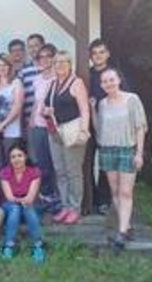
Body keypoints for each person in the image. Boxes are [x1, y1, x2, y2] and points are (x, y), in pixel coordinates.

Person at [92, 68, 147, 250]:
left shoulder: (132, 99)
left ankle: (122, 232)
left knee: (126, 192)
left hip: (127, 149)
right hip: (107, 150)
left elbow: (140, 127)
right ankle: (126, 226)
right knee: (115, 191)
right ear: (102, 85)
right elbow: (99, 128)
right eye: (105, 81)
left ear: (118, 80)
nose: (109, 83)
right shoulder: (102, 104)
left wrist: (139, 153)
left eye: (111, 80)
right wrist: (92, 109)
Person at [43, 51, 90, 224]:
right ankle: (65, 206)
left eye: (63, 62)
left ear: (70, 64)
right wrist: (45, 111)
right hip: (55, 132)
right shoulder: (52, 83)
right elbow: (45, 106)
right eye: (56, 62)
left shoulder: (76, 83)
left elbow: (85, 109)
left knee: (73, 171)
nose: (60, 65)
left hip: (72, 132)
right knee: (60, 171)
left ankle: (75, 207)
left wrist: (84, 131)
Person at [88, 39, 129, 214]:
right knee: (87, 164)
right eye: (95, 53)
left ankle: (105, 201)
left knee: (107, 165)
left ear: (108, 54)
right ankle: (91, 199)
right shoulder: (86, 73)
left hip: (110, 127)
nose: (98, 56)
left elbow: (125, 98)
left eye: (101, 52)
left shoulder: (114, 75)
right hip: (89, 125)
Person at [0, 142, 45, 262]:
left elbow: (30, 197)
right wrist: (20, 201)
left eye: (19, 155)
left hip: (30, 204)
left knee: (27, 207)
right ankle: (9, 246)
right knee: (15, 208)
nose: (16, 159)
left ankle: (38, 246)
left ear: (25, 156)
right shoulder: (5, 172)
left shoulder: (34, 172)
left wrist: (23, 201)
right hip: (10, 205)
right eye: (13, 157)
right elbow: (9, 197)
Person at [28, 44, 58, 200]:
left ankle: (60, 196)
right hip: (39, 125)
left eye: (48, 56)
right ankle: (47, 194)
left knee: (57, 162)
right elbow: (36, 101)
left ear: (54, 57)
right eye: (41, 57)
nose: (45, 59)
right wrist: (32, 119)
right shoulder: (37, 80)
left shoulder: (59, 77)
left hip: (56, 126)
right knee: (42, 161)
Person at [19, 34, 45, 135]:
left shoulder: (52, 69)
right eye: (30, 46)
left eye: (36, 45)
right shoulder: (23, 71)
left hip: (50, 122)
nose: (33, 49)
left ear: (43, 46)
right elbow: (20, 100)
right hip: (30, 122)